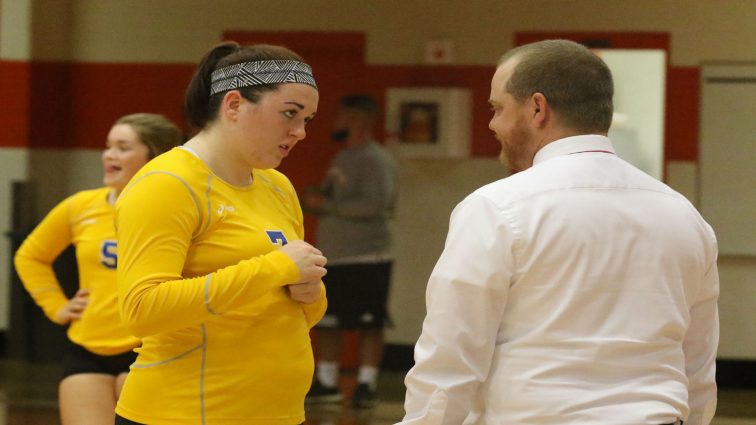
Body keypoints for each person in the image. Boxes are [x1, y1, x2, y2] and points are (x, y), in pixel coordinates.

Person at [398, 39, 719, 425]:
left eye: (497, 108)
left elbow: (451, 358)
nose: (491, 124)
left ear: (537, 108)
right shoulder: (684, 215)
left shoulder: (497, 207)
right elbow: (697, 366)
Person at [113, 42, 327, 425]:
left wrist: (311, 294)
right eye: (290, 114)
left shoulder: (277, 186)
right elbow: (141, 310)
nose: (300, 132)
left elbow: (290, 313)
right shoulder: (167, 183)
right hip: (183, 415)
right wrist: (275, 269)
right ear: (233, 105)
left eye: (307, 120)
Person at [13, 113, 183, 425]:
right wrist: (57, 306)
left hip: (154, 348)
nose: (109, 155)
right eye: (108, 146)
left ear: (154, 156)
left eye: (122, 147)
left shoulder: (179, 210)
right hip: (88, 348)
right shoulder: (81, 206)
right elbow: (30, 256)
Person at [303, 94, 397, 408]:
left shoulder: (375, 159)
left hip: (367, 255)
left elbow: (376, 204)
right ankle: (327, 381)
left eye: (341, 116)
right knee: (329, 320)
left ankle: (367, 383)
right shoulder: (342, 158)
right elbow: (335, 197)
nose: (335, 122)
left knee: (370, 322)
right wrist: (316, 199)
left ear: (358, 119)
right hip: (335, 254)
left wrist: (328, 206)